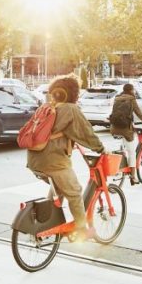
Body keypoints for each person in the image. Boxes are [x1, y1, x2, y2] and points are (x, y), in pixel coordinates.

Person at [26, 74, 108, 243]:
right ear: (74, 93)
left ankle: (45, 222)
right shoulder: (70, 109)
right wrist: (101, 148)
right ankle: (81, 229)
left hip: (34, 160)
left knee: (59, 187)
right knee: (75, 191)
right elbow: (86, 132)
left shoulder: (47, 107)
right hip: (53, 161)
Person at [109, 83, 142, 184]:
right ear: (131, 90)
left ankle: (120, 163)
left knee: (122, 147)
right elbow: (140, 114)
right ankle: (133, 177)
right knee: (131, 152)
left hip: (114, 128)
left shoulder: (117, 98)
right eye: (133, 90)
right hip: (125, 129)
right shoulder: (131, 99)